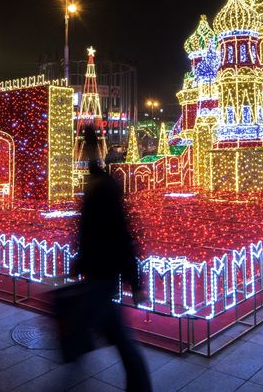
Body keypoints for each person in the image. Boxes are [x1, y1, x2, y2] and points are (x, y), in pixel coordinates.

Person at [71, 126, 151, 392]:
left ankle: (138, 383)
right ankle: (137, 382)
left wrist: (136, 282)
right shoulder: (99, 186)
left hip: (102, 272)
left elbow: (121, 236)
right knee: (108, 330)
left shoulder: (102, 191)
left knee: (112, 333)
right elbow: (91, 233)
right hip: (98, 270)